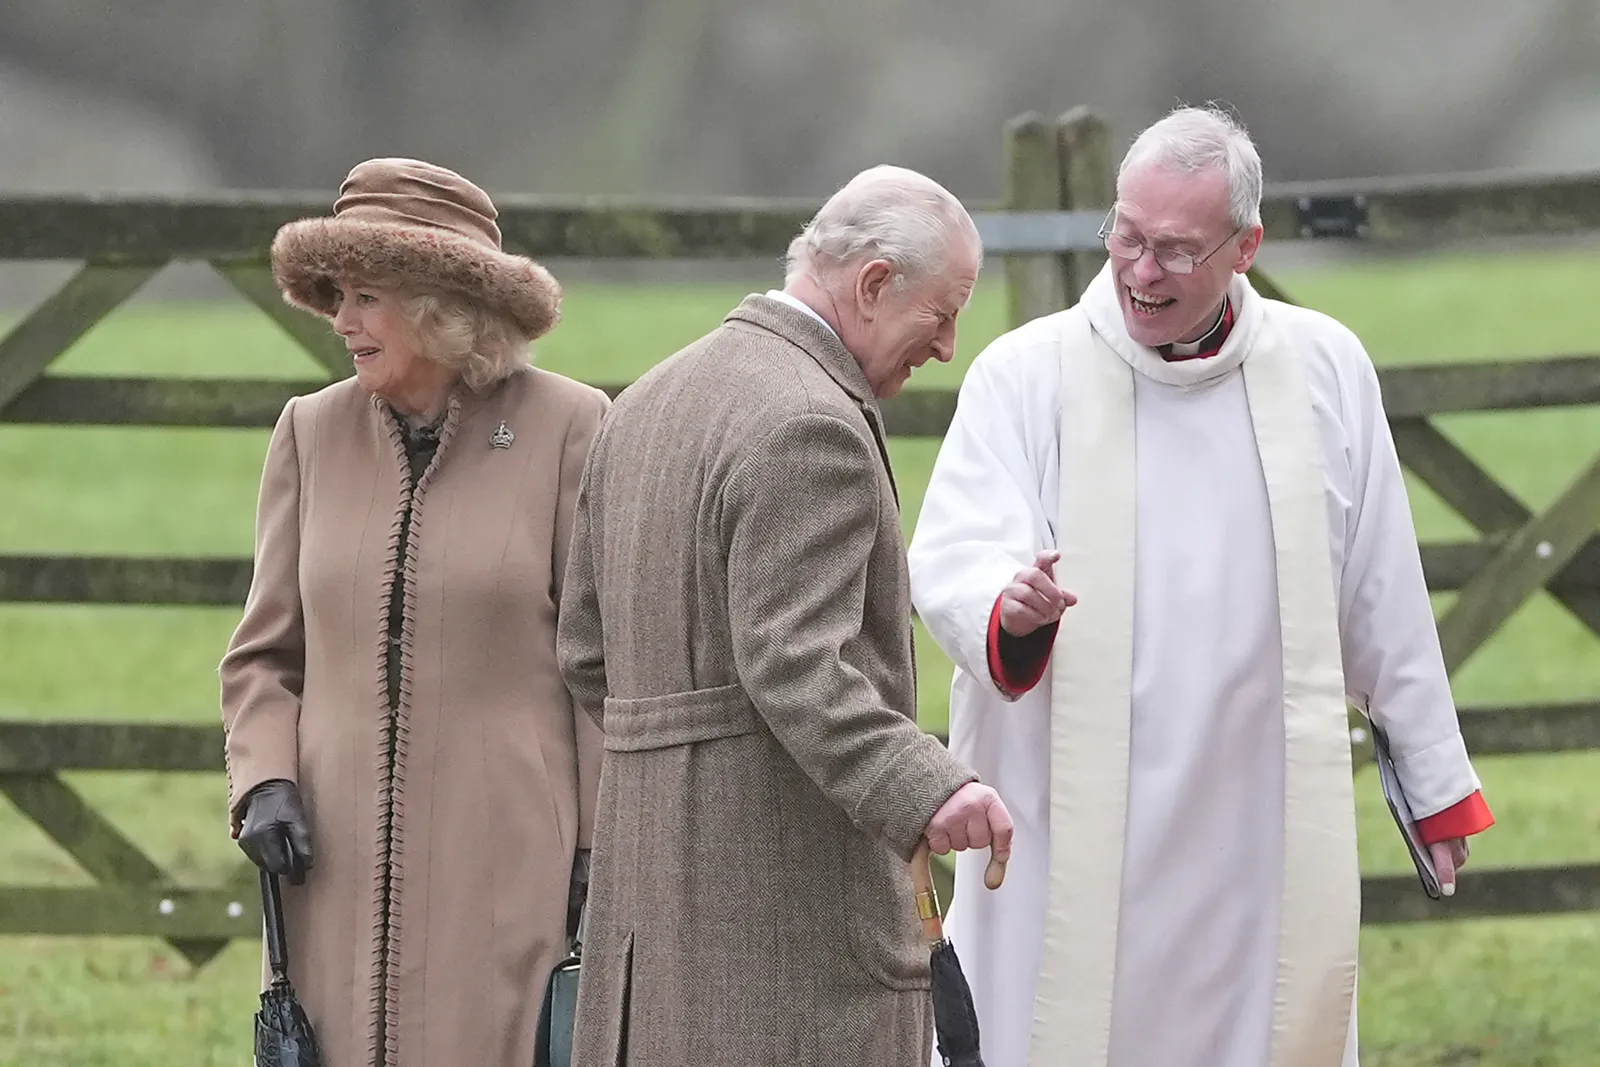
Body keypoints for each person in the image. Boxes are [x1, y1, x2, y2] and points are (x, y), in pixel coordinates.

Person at [907, 106, 1496, 1067]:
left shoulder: (1324, 368)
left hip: (1254, 825)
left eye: (1177, 250)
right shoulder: (1026, 374)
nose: (1141, 272)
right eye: (1127, 237)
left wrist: (1434, 788)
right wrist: (1008, 607)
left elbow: (1380, 587)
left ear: (1246, 247)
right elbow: (955, 552)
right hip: (1068, 822)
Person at [555, 164, 1014, 1067]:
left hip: (645, 930)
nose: (948, 346)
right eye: (942, 311)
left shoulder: (644, 402)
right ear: (873, 282)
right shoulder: (812, 423)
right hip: (785, 945)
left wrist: (685, 767)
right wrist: (929, 786)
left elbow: (584, 650)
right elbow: (794, 664)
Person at [219, 158, 608, 1067]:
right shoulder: (309, 433)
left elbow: (601, 666)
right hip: (329, 867)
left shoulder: (571, 428)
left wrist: (601, 847)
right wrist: (265, 779)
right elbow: (264, 655)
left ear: (442, 307)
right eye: (337, 296)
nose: (341, 321)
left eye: (366, 297)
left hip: (509, 865)